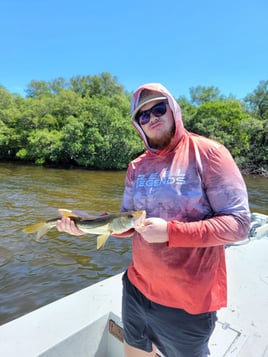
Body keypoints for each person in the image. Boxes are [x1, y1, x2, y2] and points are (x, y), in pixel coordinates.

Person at [56, 83, 251, 357]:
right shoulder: (136, 166)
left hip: (187, 302)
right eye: (143, 116)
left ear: (173, 110)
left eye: (159, 109)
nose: (152, 118)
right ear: (138, 124)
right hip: (136, 289)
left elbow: (239, 224)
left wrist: (171, 232)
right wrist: (85, 225)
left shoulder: (209, 154)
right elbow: (125, 224)